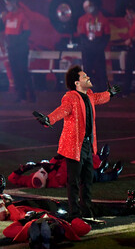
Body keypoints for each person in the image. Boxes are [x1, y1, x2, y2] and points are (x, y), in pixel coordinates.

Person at [33, 65, 120, 221]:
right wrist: (49, 119)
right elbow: (63, 110)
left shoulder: (89, 95)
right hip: (75, 145)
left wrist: (109, 94)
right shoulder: (70, 97)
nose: (88, 77)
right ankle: (75, 214)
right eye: (84, 76)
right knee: (73, 181)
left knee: (87, 180)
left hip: (86, 145)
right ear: (77, 83)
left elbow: (99, 98)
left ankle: (86, 211)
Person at [2, 0, 35, 103]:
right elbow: (4, 29)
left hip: (21, 47)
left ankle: (31, 94)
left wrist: (17, 42)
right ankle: (21, 95)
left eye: (8, 4)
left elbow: (27, 32)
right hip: (11, 47)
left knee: (23, 71)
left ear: (14, 3)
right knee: (15, 72)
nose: (7, 6)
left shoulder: (22, 15)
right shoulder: (8, 16)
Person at [77, 0, 110, 92]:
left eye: (91, 6)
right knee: (87, 70)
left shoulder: (103, 19)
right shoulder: (82, 19)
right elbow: (82, 36)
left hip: (98, 47)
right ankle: (88, 90)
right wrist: (87, 46)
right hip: (87, 49)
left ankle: (103, 90)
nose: (89, 9)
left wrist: (100, 46)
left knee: (101, 70)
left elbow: (107, 35)